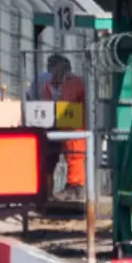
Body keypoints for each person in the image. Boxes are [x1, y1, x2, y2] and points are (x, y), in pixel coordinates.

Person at [26, 54, 87, 198]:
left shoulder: (74, 82)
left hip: (73, 125)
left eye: (53, 66)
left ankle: (75, 186)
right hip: (53, 124)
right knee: (51, 158)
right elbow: (40, 101)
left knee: (74, 155)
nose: (51, 70)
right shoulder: (47, 82)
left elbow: (72, 102)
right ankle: (48, 191)